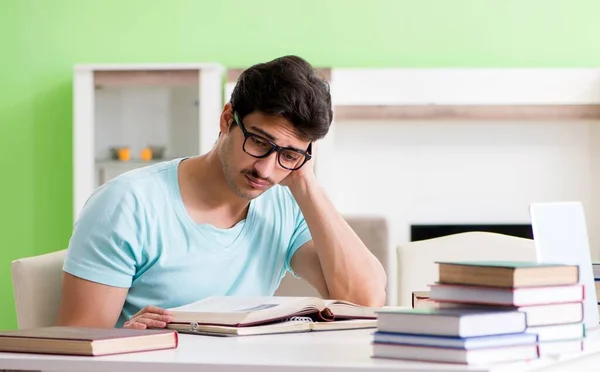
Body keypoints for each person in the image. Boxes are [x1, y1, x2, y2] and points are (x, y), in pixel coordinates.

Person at [55, 55, 387, 330]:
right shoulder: (127, 204)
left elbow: (365, 300)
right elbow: (75, 345)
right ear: (227, 119)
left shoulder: (285, 201)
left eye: (289, 154)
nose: (266, 170)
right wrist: (126, 339)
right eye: (258, 141)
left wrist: (305, 182)